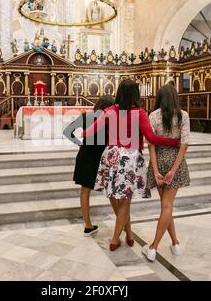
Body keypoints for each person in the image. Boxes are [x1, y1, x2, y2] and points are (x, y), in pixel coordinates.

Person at [82, 80, 180, 251]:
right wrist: (172, 142)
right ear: (136, 94)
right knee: (125, 200)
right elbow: (152, 138)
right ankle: (114, 239)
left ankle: (128, 233)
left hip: (111, 155)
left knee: (114, 196)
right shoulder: (140, 113)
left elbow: (90, 131)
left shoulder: (110, 111)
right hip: (130, 158)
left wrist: (83, 133)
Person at [142, 84, 191, 261]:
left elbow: (151, 145)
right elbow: (184, 144)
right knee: (167, 206)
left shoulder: (153, 115)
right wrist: (174, 170)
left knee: (165, 205)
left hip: (160, 158)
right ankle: (175, 243)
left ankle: (153, 246)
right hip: (175, 160)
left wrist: (155, 170)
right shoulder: (183, 115)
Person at [63, 95, 115, 237]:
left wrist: (80, 144)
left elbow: (67, 132)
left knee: (85, 191)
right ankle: (121, 224)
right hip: (102, 157)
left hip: (85, 156)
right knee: (111, 190)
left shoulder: (86, 116)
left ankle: (88, 225)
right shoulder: (111, 119)